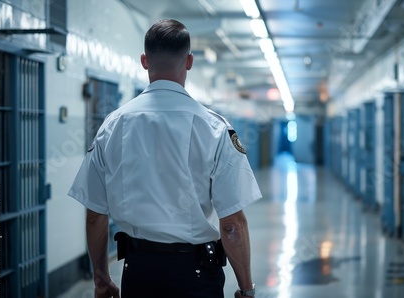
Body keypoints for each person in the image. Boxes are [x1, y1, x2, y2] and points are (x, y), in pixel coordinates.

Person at [68, 19, 261, 298]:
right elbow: (232, 224)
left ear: (144, 61)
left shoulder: (112, 126)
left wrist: (101, 277)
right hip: (197, 276)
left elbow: (95, 215)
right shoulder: (215, 128)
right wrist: (246, 288)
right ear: (190, 61)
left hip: (139, 273)